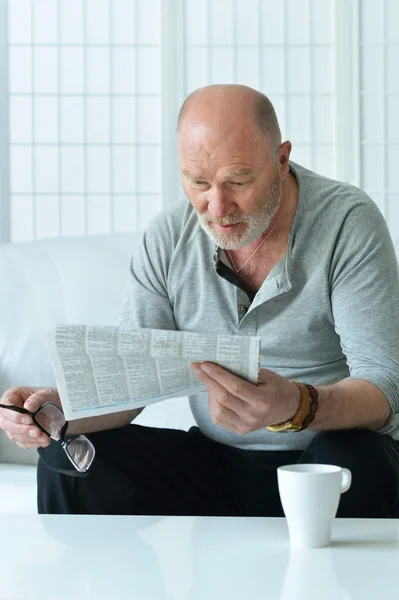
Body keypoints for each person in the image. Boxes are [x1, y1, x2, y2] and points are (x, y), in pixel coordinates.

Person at [1, 84, 399, 517]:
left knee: (360, 457)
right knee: (71, 460)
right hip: (217, 461)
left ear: (281, 159)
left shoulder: (346, 222)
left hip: (322, 454)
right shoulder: (169, 234)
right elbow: (129, 381)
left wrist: (296, 405)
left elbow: (385, 387)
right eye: (198, 182)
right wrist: (54, 412)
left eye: (238, 181)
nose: (217, 206)